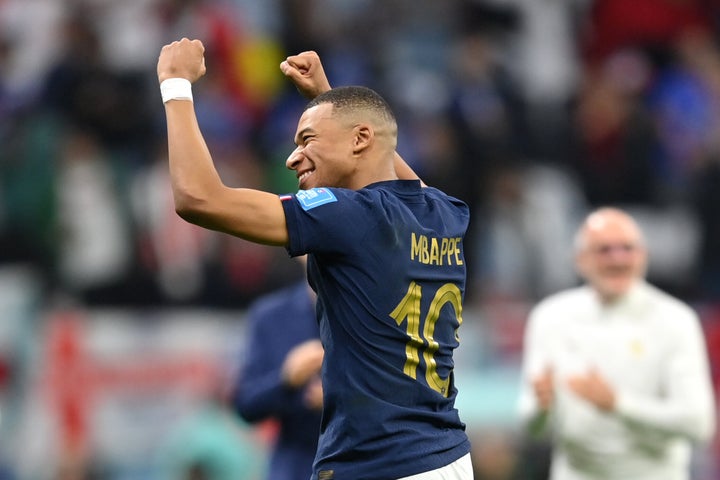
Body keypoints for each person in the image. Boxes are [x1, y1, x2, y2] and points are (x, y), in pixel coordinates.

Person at [157, 39, 473, 480]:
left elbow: (199, 199)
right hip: (446, 457)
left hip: (380, 464)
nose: (291, 157)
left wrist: (175, 85)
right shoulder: (444, 212)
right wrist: (329, 102)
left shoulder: (349, 216)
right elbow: (387, 160)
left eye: (307, 140)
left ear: (360, 139)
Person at [517, 207, 716, 480]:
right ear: (580, 260)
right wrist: (541, 409)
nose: (617, 259)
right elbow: (533, 428)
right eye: (604, 250)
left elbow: (699, 423)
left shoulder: (676, 320)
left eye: (627, 248)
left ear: (644, 256)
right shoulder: (550, 317)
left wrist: (618, 404)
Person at [232, 256, 323, 480]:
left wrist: (341, 395)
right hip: (297, 464)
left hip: (364, 462)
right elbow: (245, 403)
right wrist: (287, 380)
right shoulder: (271, 316)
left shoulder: (373, 310)